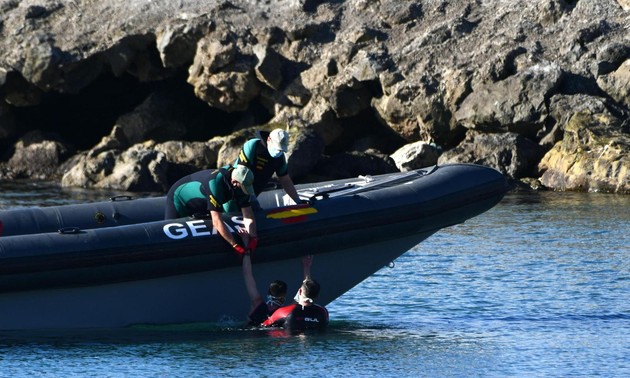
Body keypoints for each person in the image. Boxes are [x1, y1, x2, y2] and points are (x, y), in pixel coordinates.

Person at [164, 165, 258, 255]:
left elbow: (248, 216)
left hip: (203, 202)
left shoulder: (241, 185)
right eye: (243, 188)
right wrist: (235, 245)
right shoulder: (215, 184)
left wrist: (253, 238)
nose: (244, 191)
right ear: (234, 182)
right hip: (180, 198)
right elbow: (216, 221)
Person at [229, 128, 303, 209]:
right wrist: (253, 200)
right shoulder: (253, 146)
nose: (278, 152)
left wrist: (298, 201)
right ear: (268, 139)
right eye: (277, 148)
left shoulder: (280, 157)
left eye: (281, 150)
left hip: (253, 195)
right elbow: (242, 173)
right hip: (234, 192)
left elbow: (285, 180)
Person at [261, 255, 329, 330]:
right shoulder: (323, 312)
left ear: (300, 291)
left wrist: (306, 267)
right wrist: (307, 268)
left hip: (290, 340)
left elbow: (263, 326)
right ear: (317, 295)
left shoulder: (284, 312)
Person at [238, 230, 288, 326]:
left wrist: (246, 243)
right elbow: (304, 293)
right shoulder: (284, 313)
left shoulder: (257, 302)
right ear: (284, 296)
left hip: (249, 337)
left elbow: (247, 274)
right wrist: (306, 269)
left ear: (268, 292)